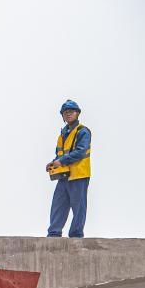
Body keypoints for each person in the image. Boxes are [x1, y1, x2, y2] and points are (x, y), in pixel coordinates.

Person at [46, 99, 92, 238]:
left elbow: (80, 151)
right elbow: (60, 154)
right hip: (64, 175)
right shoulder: (62, 134)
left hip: (79, 175)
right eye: (65, 112)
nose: (68, 114)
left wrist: (61, 160)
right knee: (58, 206)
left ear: (77, 113)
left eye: (71, 112)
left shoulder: (82, 131)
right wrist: (53, 163)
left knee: (78, 207)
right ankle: (53, 234)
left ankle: (76, 236)